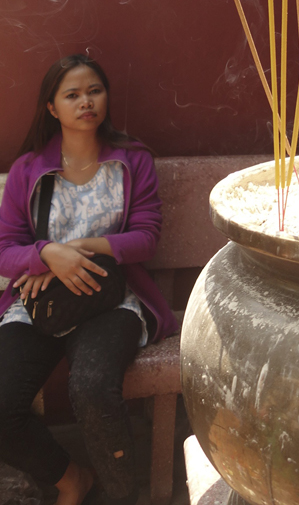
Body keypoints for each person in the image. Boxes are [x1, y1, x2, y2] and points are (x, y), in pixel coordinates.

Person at [0, 55, 179, 505]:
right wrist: (44, 254)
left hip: (111, 298)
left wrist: (76, 248)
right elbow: (5, 250)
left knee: (93, 387)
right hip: (39, 301)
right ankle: (71, 480)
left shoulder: (131, 160)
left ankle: (121, 496)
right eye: (72, 95)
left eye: (94, 91)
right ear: (52, 108)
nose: (86, 102)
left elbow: (145, 238)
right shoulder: (28, 170)